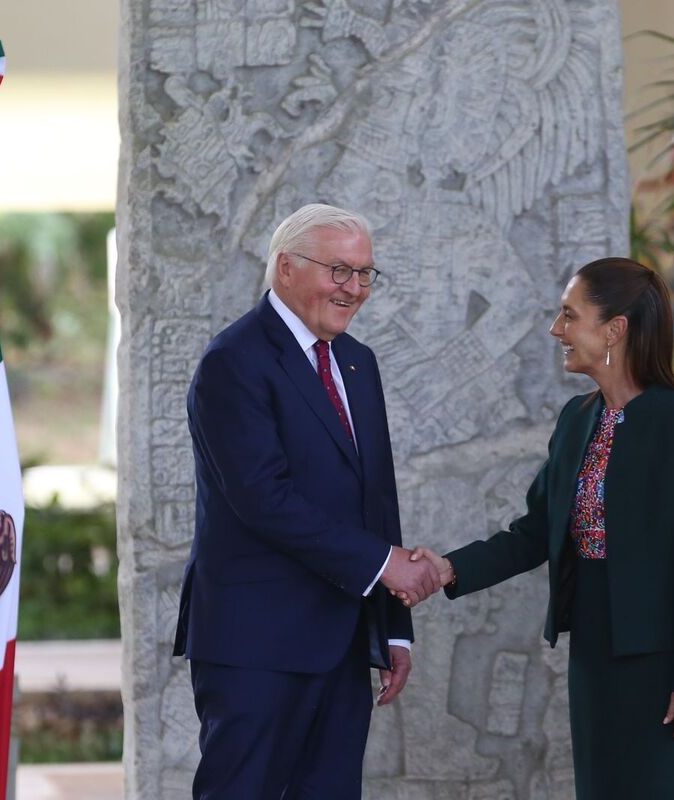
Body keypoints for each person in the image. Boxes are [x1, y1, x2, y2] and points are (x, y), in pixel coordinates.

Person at [406, 257, 674, 799]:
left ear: (614, 328)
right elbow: (534, 532)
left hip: (664, 665)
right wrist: (448, 568)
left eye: (569, 315)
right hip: (595, 657)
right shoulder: (577, 419)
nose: (557, 329)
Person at [174, 204, 441, 799]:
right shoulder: (233, 361)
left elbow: (377, 498)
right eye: (338, 270)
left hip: (341, 643)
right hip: (255, 646)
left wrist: (392, 629)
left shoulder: (357, 361)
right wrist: (386, 565)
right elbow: (263, 498)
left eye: (365, 273)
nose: (354, 288)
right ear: (286, 268)